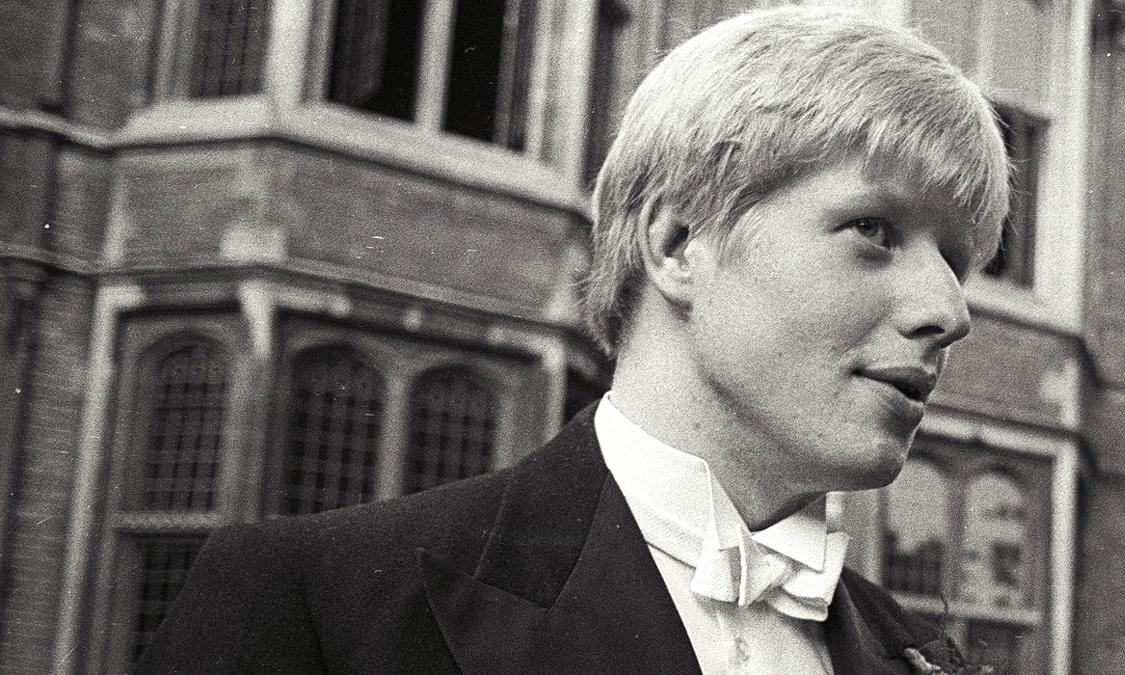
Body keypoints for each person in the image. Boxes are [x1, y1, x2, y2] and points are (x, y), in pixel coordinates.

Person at [136, 5, 1008, 674]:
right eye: (873, 229)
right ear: (678, 246)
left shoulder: (921, 658)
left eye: (957, 261)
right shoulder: (317, 607)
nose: (948, 309)